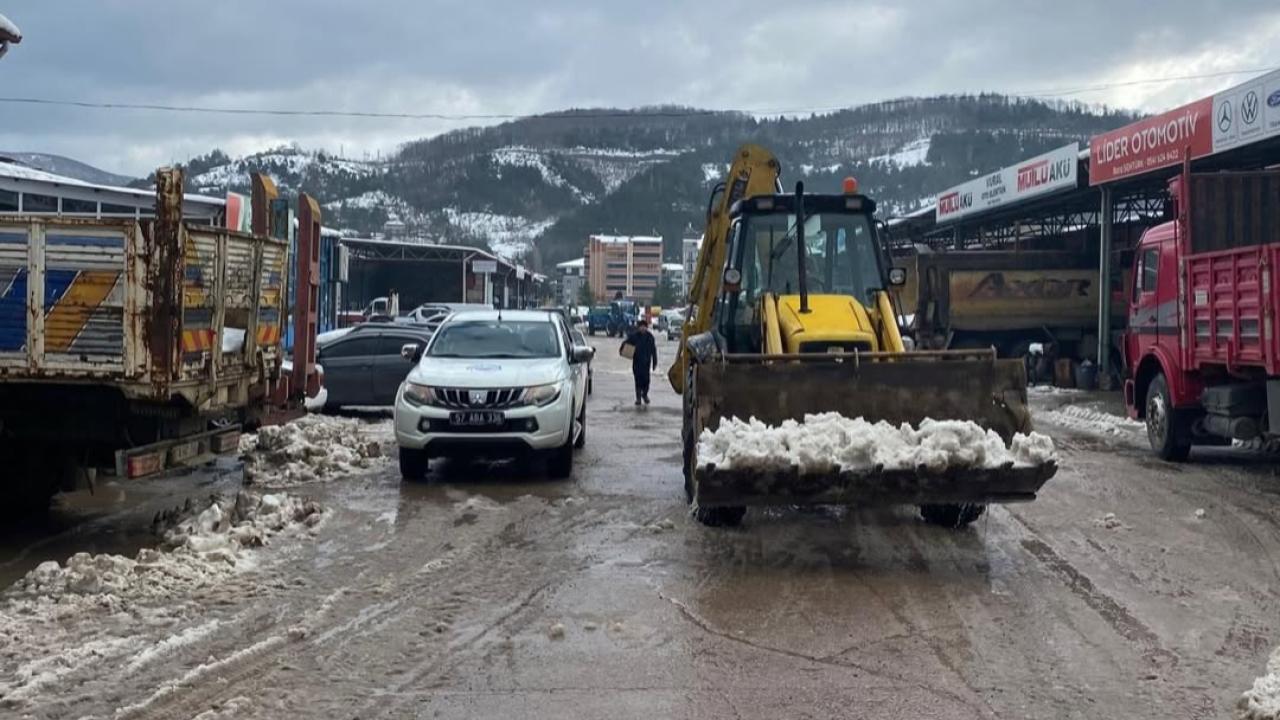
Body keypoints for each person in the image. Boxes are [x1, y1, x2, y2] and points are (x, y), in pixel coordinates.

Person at [622, 320, 658, 406]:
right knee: (638, 381)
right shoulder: (634, 336)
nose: (642, 328)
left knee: (646, 381)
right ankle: (638, 398)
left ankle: (644, 395)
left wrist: (654, 362)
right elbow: (626, 343)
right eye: (641, 327)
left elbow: (654, 350)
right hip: (637, 363)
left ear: (646, 327)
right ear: (638, 328)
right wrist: (622, 350)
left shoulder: (650, 337)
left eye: (644, 326)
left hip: (646, 363)